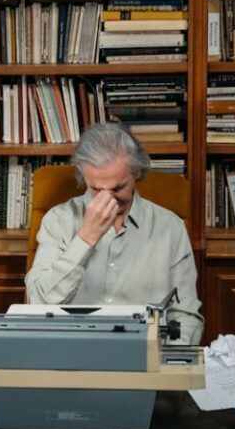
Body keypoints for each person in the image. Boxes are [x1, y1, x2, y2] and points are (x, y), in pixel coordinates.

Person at [25, 123, 204, 344]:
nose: (106, 199)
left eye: (117, 189)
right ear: (84, 177)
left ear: (137, 173)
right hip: (73, 352)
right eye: (96, 189)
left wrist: (169, 363)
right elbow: (39, 304)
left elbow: (185, 315)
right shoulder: (58, 220)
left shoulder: (170, 227)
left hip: (144, 355)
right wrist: (85, 238)